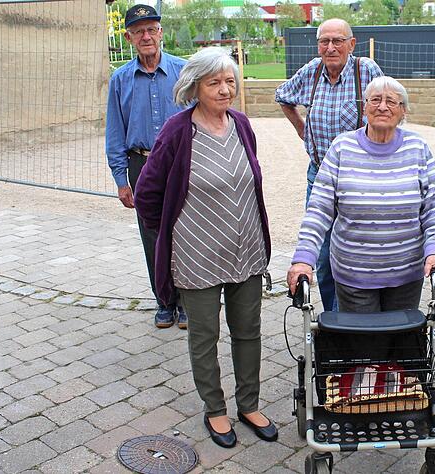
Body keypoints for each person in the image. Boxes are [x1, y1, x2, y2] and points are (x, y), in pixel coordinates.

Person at [134, 47, 277, 448]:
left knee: (248, 332)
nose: (225, 89)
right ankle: (215, 409)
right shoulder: (178, 132)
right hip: (196, 253)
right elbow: (147, 193)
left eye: (230, 81)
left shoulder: (242, 125)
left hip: (245, 250)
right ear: (195, 87)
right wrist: (169, 233)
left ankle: (248, 404)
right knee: (204, 336)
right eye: (214, 82)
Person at [287, 76, 435, 314]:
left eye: (392, 101)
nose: (383, 106)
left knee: (400, 344)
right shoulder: (342, 148)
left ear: (403, 111)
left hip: (406, 276)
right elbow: (318, 210)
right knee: (361, 345)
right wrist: (304, 257)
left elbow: (434, 208)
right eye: (375, 100)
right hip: (353, 276)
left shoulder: (417, 147)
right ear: (364, 108)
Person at [275, 18, 383, 312]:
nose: (331, 47)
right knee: (321, 255)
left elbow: (385, 110)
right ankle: (334, 318)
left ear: (351, 44)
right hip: (319, 176)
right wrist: (302, 129)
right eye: (325, 41)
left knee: (357, 250)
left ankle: (359, 314)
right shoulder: (311, 71)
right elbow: (282, 96)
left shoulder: (365, 71)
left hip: (359, 178)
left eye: (338, 41)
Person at [105, 4, 187, 329]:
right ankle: (164, 302)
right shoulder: (120, 80)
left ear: (161, 33)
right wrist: (120, 180)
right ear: (129, 37)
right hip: (142, 164)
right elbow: (114, 132)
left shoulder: (183, 71)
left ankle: (186, 302)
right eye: (139, 31)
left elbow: (201, 121)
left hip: (180, 162)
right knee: (152, 236)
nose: (146, 36)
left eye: (152, 29)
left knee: (184, 233)